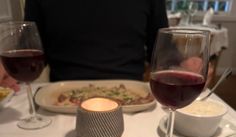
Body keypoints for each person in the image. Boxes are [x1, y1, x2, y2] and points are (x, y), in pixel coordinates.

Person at [24, 0, 169, 82]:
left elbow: (162, 52)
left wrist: (181, 62)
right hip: (59, 99)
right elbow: (31, 50)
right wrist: (9, 67)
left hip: (133, 99)